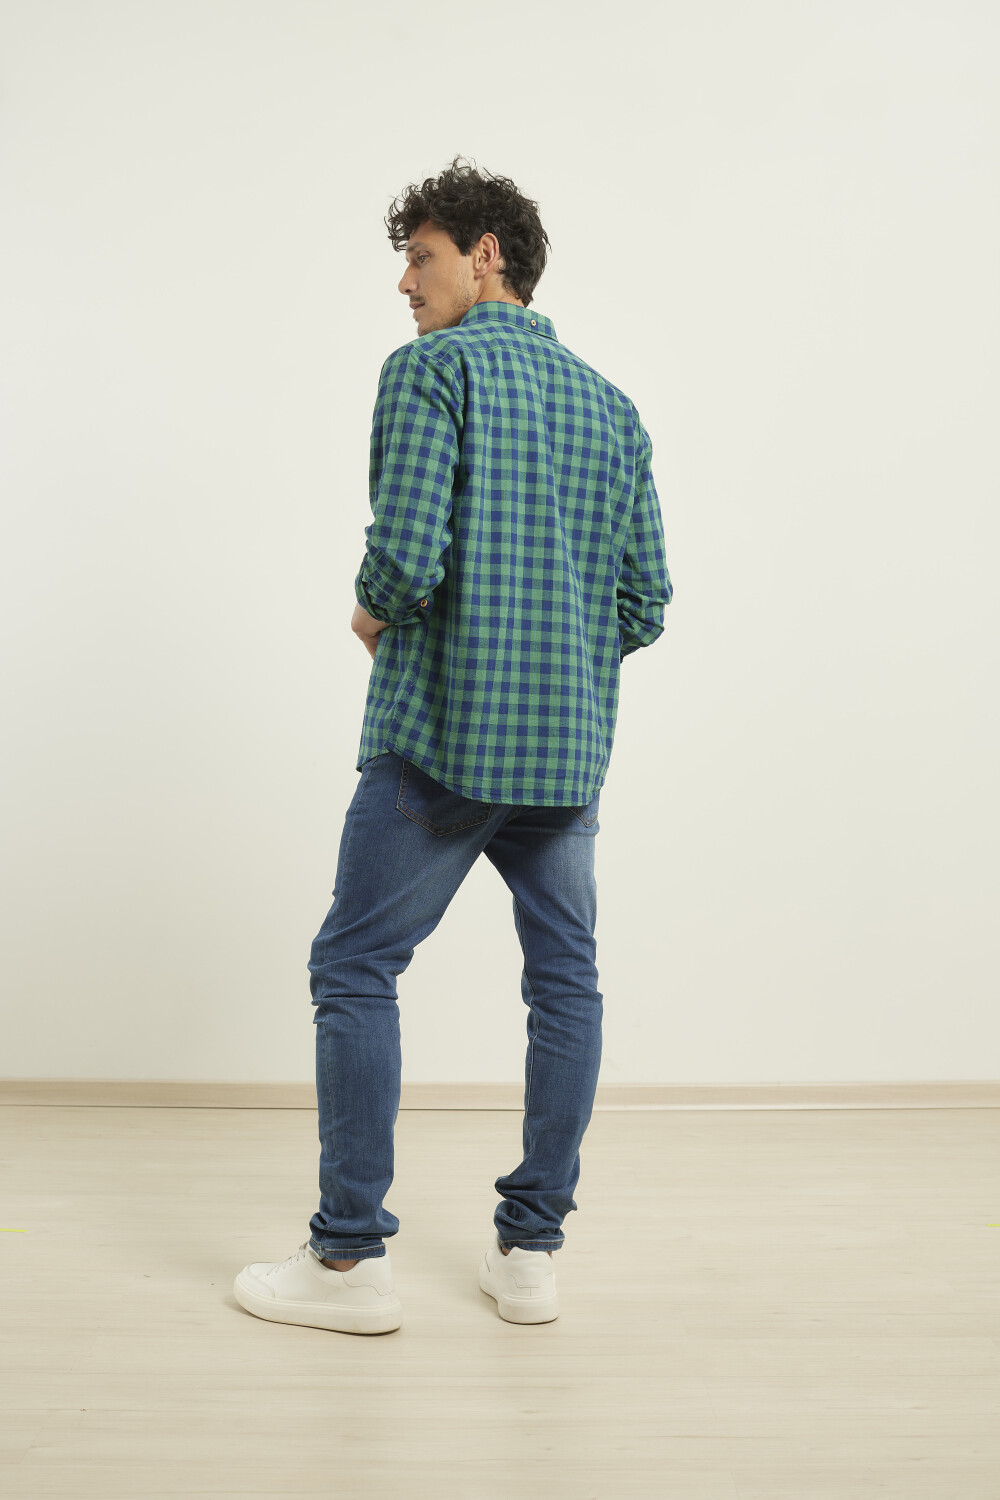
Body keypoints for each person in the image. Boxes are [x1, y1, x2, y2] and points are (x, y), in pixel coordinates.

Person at [233, 155, 673, 1334]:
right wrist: (559, 662)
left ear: (487, 256)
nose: (403, 283)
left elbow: (405, 553)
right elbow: (645, 603)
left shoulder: (431, 370)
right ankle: (528, 1257)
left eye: (419, 257)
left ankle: (345, 1266)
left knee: (354, 968)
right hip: (564, 759)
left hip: (441, 740)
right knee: (566, 985)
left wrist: (372, 611)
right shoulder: (612, 407)